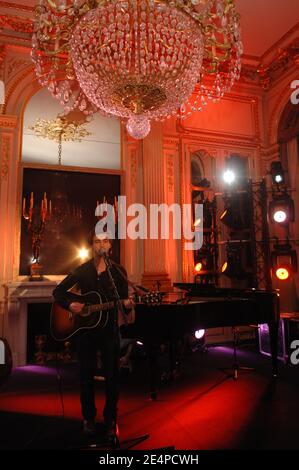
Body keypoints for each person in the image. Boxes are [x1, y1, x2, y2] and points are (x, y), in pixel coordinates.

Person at [52, 232, 134, 440]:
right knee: (85, 378)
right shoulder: (82, 270)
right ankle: (88, 418)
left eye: (104, 241)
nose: (101, 244)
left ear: (110, 246)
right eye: (97, 241)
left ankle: (110, 420)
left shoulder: (118, 273)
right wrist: (71, 305)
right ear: (91, 246)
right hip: (85, 332)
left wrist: (127, 305)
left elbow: (124, 304)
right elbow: (58, 292)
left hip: (108, 333)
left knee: (112, 378)